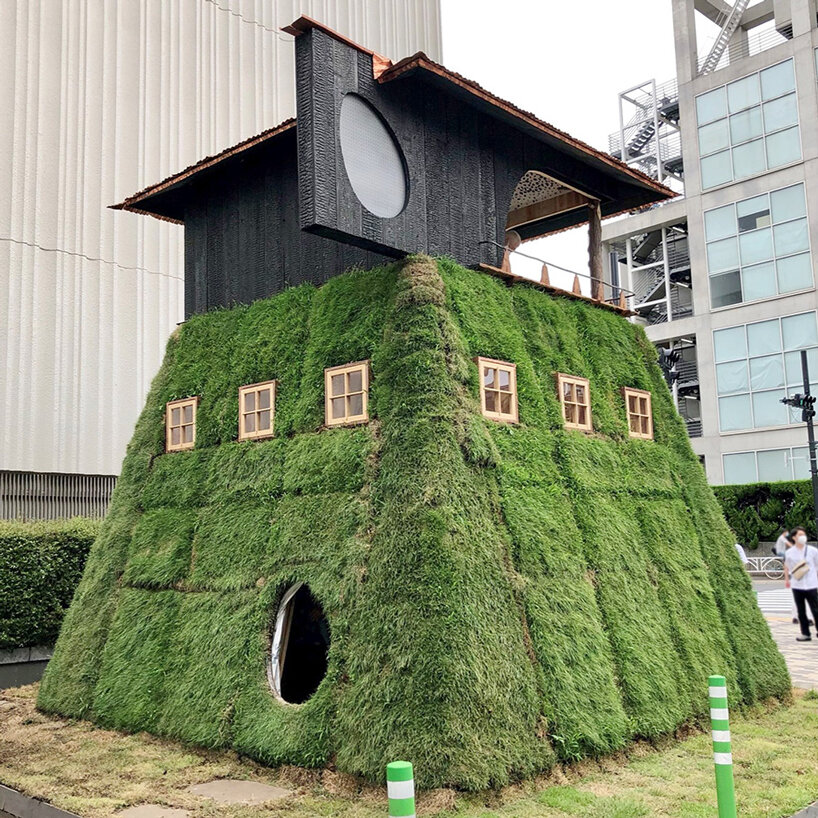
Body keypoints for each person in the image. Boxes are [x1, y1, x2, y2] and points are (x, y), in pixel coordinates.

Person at [783, 526, 818, 642]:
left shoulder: (813, 551)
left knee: (816, 609)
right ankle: (805, 633)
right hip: (797, 585)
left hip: (812, 584)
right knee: (801, 610)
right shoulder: (789, 553)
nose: (803, 537)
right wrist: (787, 580)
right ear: (794, 537)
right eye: (800, 535)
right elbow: (787, 566)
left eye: (804, 534)